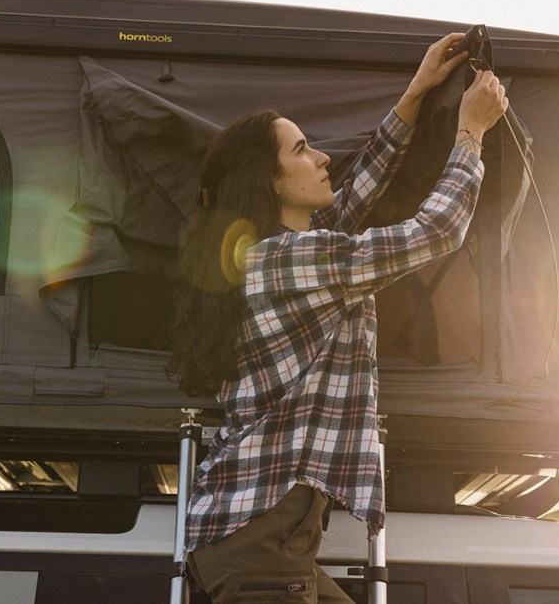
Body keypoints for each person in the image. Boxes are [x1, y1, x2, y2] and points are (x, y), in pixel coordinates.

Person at [167, 32, 508, 603]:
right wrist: (470, 133)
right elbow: (436, 232)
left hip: (262, 537)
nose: (323, 156)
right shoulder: (291, 259)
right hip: (262, 541)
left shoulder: (278, 253)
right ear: (268, 180)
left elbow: (355, 198)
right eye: (301, 150)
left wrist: (418, 91)